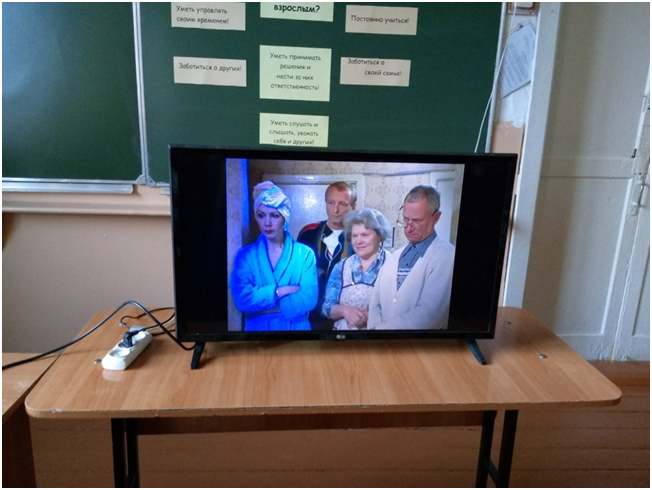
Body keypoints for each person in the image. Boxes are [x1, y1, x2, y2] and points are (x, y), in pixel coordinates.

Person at [230, 181, 318, 331]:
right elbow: (241, 299)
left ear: (285, 217)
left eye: (274, 215)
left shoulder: (304, 254)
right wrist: (280, 292)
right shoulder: (245, 256)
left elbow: (309, 299)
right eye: (261, 215)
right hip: (258, 332)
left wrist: (261, 306)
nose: (267, 223)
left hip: (297, 330)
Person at [368, 185, 455, 330]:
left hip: (418, 344)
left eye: (417, 221)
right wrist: (374, 334)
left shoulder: (446, 256)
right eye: (405, 219)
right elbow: (375, 304)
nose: (408, 228)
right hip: (381, 342)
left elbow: (429, 316)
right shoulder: (394, 257)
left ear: (436, 217)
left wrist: (381, 332)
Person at [321, 208, 392, 330]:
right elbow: (327, 307)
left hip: (379, 337)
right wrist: (345, 311)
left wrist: (370, 317)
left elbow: (402, 309)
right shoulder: (341, 266)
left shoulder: (392, 264)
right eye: (354, 236)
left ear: (379, 236)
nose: (358, 241)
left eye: (365, 235)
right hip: (343, 337)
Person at [297, 181, 356, 326]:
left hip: (343, 318)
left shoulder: (360, 238)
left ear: (353, 207)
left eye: (342, 204)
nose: (335, 210)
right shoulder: (308, 233)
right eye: (331, 203)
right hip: (309, 315)